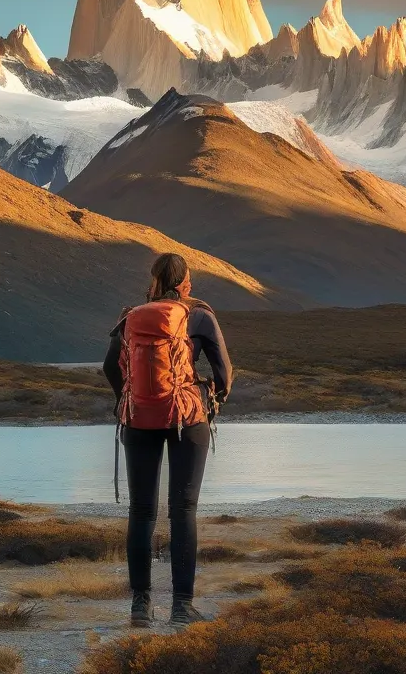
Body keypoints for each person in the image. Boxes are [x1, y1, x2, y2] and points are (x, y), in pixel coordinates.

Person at [103, 252, 233, 628]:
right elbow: (224, 371)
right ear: (186, 282)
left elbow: (110, 366)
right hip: (187, 418)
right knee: (183, 512)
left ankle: (140, 606)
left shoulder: (130, 317)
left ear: (154, 280)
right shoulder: (199, 315)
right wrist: (213, 400)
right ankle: (181, 606)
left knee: (141, 511)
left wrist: (124, 400)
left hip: (138, 418)